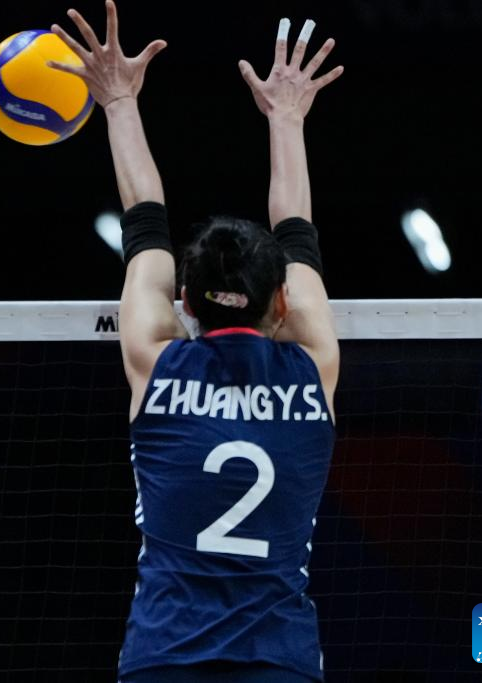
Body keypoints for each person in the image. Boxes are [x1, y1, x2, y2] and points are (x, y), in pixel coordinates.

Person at [50, 3, 341, 681]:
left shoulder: (155, 361)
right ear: (283, 303)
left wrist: (118, 102)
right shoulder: (312, 368)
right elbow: (297, 233)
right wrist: (287, 119)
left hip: (164, 658)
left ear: (184, 302)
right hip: (280, 663)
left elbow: (143, 221)